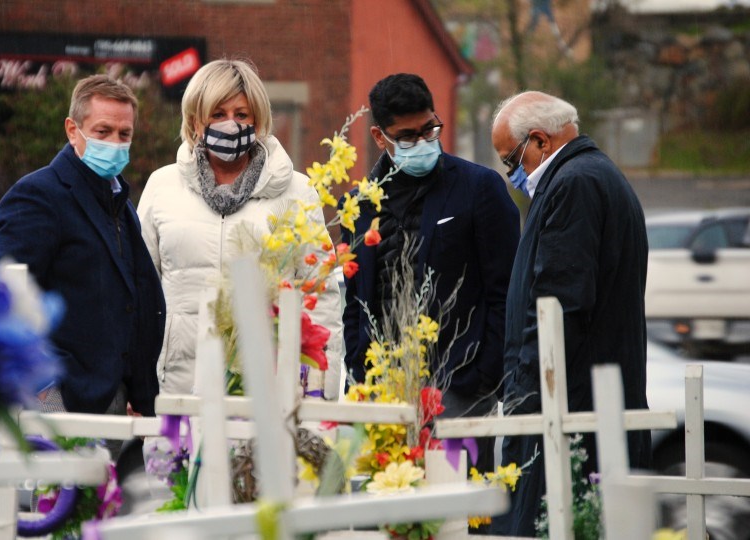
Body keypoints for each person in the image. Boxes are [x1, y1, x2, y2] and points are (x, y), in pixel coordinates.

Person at [341, 73, 520, 491]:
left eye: (429, 129)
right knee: (385, 511)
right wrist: (358, 363)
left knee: (460, 514)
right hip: (382, 388)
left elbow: (507, 290)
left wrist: (479, 376)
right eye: (407, 136)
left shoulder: (479, 189)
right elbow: (354, 295)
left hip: (458, 386)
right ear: (379, 136)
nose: (422, 142)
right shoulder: (360, 203)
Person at [490, 91, 651, 535]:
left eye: (511, 161)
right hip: (591, 403)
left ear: (539, 141)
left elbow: (556, 309)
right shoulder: (596, 175)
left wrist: (525, 405)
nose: (512, 174)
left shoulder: (574, 184)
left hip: (571, 413)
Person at [137, 59, 344, 398]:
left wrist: (320, 393)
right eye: (217, 114)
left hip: (267, 391)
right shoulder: (162, 186)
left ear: (258, 120)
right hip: (175, 388)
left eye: (241, 114)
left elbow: (320, 298)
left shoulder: (296, 191)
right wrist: (137, 383)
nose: (231, 125)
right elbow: (140, 289)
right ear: (195, 120)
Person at [0, 75, 165, 421]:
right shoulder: (38, 196)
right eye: (103, 132)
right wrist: (50, 408)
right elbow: (9, 310)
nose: (115, 143)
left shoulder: (119, 202)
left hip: (119, 407)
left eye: (124, 134)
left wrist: (139, 392)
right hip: (64, 407)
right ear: (73, 130)